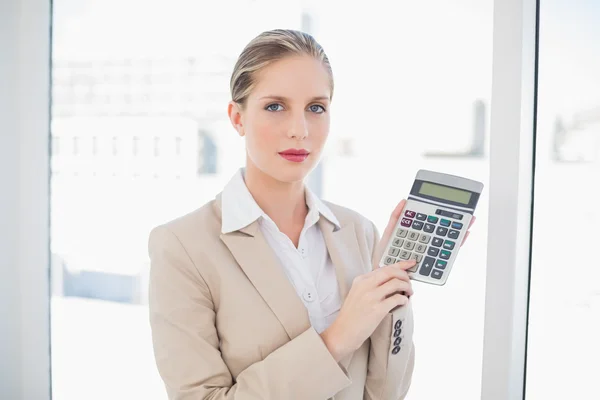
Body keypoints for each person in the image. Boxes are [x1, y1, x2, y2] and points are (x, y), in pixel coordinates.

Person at [148, 29, 473, 399]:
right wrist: (335, 340)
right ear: (237, 118)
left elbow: (385, 394)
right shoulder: (182, 246)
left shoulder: (358, 232)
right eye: (275, 106)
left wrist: (391, 289)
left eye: (316, 108)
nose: (299, 130)